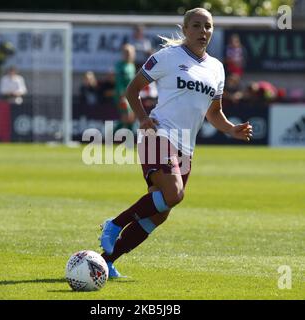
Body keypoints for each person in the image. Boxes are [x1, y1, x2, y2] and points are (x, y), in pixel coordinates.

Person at [98, 8, 253, 278]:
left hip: (186, 147)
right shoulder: (168, 57)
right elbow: (132, 89)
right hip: (158, 134)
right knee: (174, 194)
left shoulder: (216, 68)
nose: (203, 31)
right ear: (184, 29)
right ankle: (114, 224)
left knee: (160, 212)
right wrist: (143, 119)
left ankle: (106, 261)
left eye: (208, 26)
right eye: (196, 25)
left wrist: (231, 130)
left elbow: (214, 113)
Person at [113, 44, 137, 133]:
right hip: (123, 96)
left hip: (131, 96)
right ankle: (110, 136)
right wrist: (122, 96)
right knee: (126, 117)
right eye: (126, 53)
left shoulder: (131, 66)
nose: (128, 55)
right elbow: (119, 82)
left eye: (130, 53)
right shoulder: (120, 66)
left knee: (131, 118)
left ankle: (129, 140)